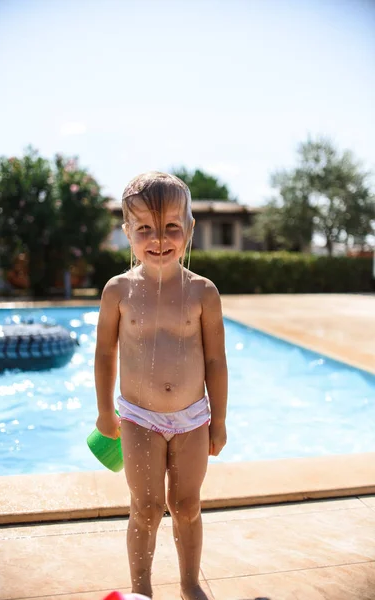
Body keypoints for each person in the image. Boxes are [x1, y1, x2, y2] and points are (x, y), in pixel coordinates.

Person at [94, 172, 228, 600]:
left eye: (172, 226)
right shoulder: (118, 291)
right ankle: (141, 590)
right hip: (137, 416)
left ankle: (189, 584)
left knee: (187, 505)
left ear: (189, 229)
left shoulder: (203, 293)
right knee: (147, 508)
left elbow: (214, 360)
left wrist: (219, 418)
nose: (159, 238)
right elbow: (104, 354)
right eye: (145, 228)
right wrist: (103, 412)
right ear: (127, 232)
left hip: (192, 417)